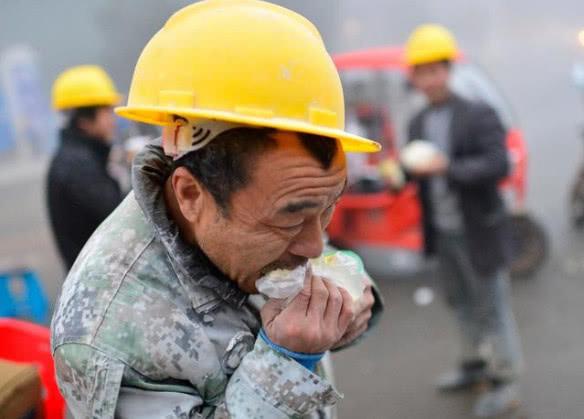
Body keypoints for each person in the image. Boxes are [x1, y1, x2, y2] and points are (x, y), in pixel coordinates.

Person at [51, 1, 384, 418]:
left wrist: (348, 286)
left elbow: (314, 239)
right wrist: (286, 364)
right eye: (293, 219)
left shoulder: (274, 197)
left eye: (327, 210)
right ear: (190, 195)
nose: (315, 247)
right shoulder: (106, 334)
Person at [404, 24, 523, 417]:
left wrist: (447, 167)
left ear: (448, 70)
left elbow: (498, 164)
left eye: (435, 70)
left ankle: (506, 382)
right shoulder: (418, 123)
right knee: (461, 304)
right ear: (415, 78)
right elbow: (414, 171)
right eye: (421, 72)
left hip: (479, 231)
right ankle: (474, 366)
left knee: (493, 306)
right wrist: (398, 172)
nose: (429, 79)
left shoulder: (478, 114)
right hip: (443, 234)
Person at [46, 65, 124, 269]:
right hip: (101, 284)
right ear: (84, 120)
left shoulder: (80, 158)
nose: (112, 120)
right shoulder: (77, 166)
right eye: (106, 111)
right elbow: (121, 217)